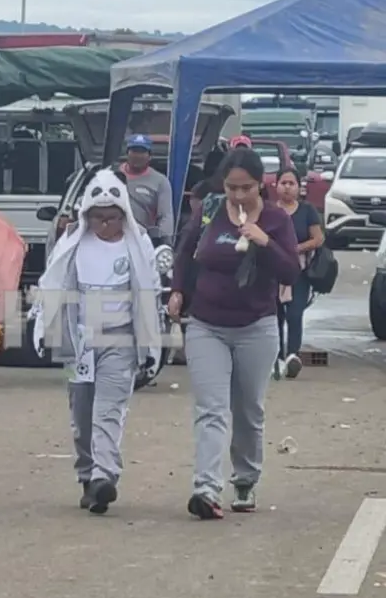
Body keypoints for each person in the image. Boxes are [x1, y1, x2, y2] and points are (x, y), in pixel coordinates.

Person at [169, 147, 300, 520]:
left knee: (247, 409)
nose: (239, 196)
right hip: (207, 325)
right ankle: (206, 489)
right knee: (211, 409)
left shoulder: (276, 220)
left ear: (261, 184)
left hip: (256, 327)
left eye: (246, 188)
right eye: (232, 188)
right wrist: (178, 290)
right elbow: (185, 251)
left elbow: (290, 272)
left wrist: (264, 240)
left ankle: (244, 479)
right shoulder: (209, 211)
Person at [31, 169, 162, 514]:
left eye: (113, 217)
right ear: (87, 213)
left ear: (124, 215)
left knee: (109, 411)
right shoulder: (73, 243)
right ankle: (88, 475)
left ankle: (106, 474)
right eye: (99, 217)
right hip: (79, 342)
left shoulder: (139, 243)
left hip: (119, 341)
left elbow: (149, 295)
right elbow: (53, 286)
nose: (106, 224)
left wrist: (150, 348)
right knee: (82, 413)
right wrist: (46, 330)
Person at [274, 167, 324, 378]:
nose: (287, 187)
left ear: (298, 187)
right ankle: (276, 358)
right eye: (283, 183)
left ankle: (292, 356)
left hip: (299, 273)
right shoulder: (269, 211)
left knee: (294, 315)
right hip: (272, 274)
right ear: (275, 185)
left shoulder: (307, 211)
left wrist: (296, 248)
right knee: (274, 316)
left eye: (291, 183)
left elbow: (318, 239)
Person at [120, 134, 175, 242]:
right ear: (127, 153)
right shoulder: (111, 174)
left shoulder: (160, 181)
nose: (138, 155)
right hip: (110, 236)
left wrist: (164, 242)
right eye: (134, 151)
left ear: (150, 156)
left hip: (141, 239)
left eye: (142, 152)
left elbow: (165, 216)